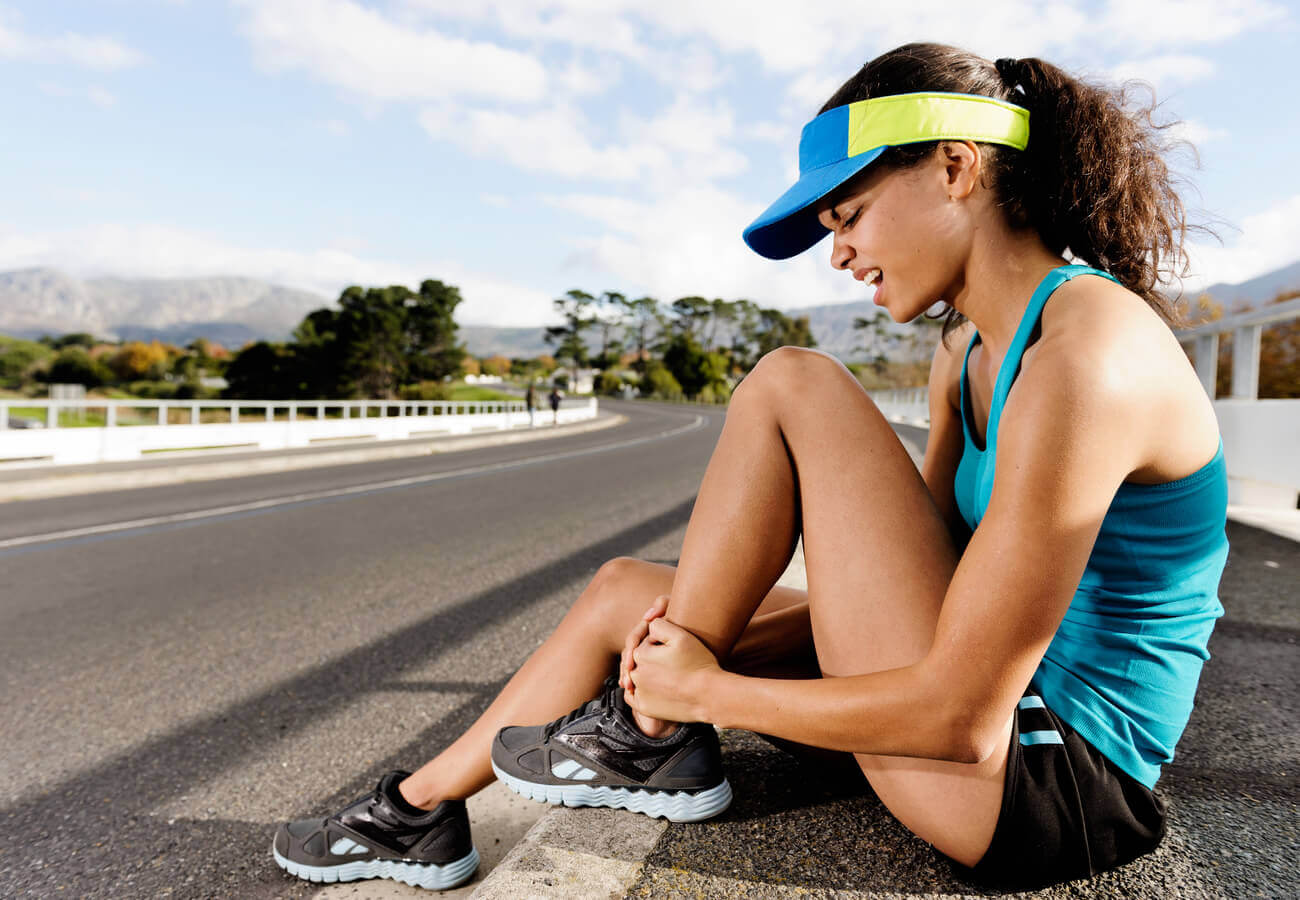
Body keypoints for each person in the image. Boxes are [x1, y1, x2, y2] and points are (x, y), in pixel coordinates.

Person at [272, 42, 1227, 892]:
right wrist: (671, 654)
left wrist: (706, 691)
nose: (839, 252)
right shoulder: (966, 351)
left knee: (794, 384)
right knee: (624, 597)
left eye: (848, 214)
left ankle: (650, 738)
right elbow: (923, 584)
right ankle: (418, 810)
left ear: (955, 167)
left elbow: (960, 716)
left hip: (1040, 782)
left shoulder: (1085, 359)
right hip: (974, 709)